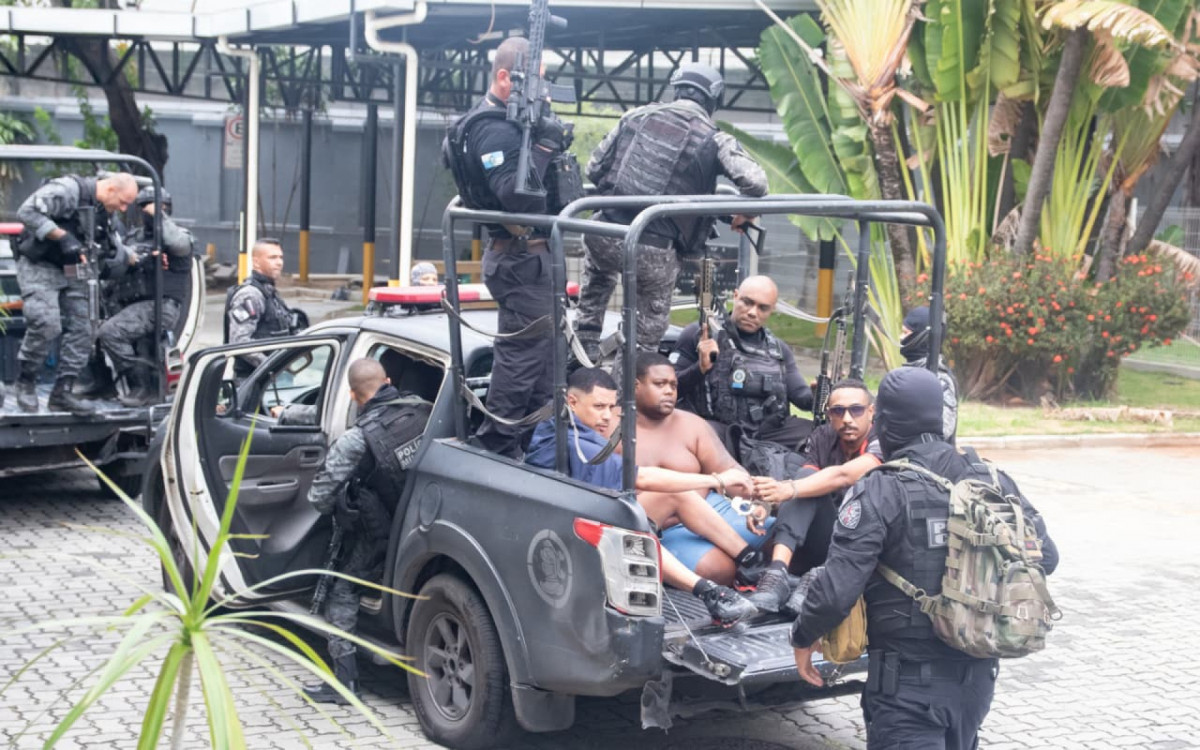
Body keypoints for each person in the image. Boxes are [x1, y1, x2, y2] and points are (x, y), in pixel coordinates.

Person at [790, 367, 1058, 749]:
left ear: (884, 423)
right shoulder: (992, 479)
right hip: (977, 683)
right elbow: (1047, 558)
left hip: (907, 691)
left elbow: (836, 591)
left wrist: (802, 636)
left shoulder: (882, 488)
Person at [526, 367, 763, 626]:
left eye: (611, 407)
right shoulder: (575, 443)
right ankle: (710, 594)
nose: (607, 416)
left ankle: (752, 564)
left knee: (674, 494)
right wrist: (717, 480)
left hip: (586, 517)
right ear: (572, 402)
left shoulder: (563, 426)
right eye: (599, 407)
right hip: (570, 537)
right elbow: (642, 478)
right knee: (629, 519)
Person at [574, 62, 768, 374]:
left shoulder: (634, 116)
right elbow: (756, 182)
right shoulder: (715, 139)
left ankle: (582, 352)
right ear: (713, 100)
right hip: (653, 253)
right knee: (642, 341)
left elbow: (593, 169)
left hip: (603, 235)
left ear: (676, 90)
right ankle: (626, 392)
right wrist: (745, 212)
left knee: (597, 280)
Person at [451, 36, 573, 458]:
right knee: (522, 362)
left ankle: (534, 447)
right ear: (504, 78)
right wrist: (544, 145)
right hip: (521, 256)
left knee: (545, 362)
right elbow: (517, 197)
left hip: (527, 255)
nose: (543, 91)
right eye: (533, 82)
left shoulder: (498, 125)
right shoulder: (492, 129)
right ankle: (497, 449)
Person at [302, 358, 433, 704]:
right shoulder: (425, 412)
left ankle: (345, 683)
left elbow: (318, 498)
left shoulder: (356, 439)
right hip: (424, 522)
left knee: (342, 591)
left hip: (380, 533)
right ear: (387, 381)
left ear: (352, 395)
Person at [631, 352, 774, 586]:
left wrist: (759, 503)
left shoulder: (691, 424)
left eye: (673, 385)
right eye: (660, 384)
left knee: (778, 538)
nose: (669, 391)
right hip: (664, 526)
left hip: (712, 508)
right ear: (636, 386)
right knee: (718, 569)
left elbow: (731, 471)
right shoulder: (611, 427)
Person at [748, 380, 883, 613]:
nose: (847, 419)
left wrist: (788, 489)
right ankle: (777, 573)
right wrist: (767, 503)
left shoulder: (882, 439)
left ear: (871, 412)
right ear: (829, 414)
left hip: (863, 545)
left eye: (856, 410)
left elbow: (844, 476)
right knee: (805, 481)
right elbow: (805, 480)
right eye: (838, 411)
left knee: (801, 486)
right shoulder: (823, 436)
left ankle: (817, 579)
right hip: (828, 535)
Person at [11, 171, 139, 415]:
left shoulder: (105, 212)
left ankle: (63, 391)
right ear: (110, 189)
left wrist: (134, 257)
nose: (123, 208)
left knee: (85, 327)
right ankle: (26, 381)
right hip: (41, 264)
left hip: (74, 268)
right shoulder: (68, 190)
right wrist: (62, 237)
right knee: (46, 322)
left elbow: (110, 242)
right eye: (123, 202)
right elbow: (26, 212)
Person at [672, 275, 813, 451]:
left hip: (768, 432)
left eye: (762, 308)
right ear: (735, 296)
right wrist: (699, 369)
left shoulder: (779, 350)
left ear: (772, 309)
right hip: (717, 431)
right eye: (747, 302)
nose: (752, 312)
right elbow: (669, 390)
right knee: (694, 433)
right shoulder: (701, 335)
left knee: (824, 435)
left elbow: (802, 397)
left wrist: (822, 394)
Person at [95, 186, 195, 406]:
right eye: (144, 208)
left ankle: (142, 386)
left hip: (160, 306)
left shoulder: (179, 236)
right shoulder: (133, 238)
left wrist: (158, 215)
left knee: (110, 332)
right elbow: (115, 263)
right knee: (89, 331)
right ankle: (104, 384)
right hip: (130, 305)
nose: (148, 213)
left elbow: (177, 244)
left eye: (158, 207)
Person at [224, 238, 303, 378]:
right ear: (256, 262)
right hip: (255, 379)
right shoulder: (250, 294)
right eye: (272, 258)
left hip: (273, 376)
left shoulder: (269, 291)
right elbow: (239, 341)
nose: (279, 262)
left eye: (280, 257)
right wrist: (271, 366)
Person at [900, 305, 959, 444]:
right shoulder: (908, 372)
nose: (900, 338)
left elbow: (942, 431)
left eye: (905, 332)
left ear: (921, 337)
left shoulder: (940, 379)